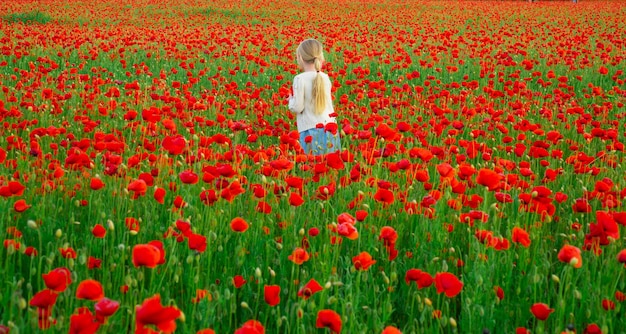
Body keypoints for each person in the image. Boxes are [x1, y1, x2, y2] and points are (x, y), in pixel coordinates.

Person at [288, 39, 341, 156]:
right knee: (329, 167)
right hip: (330, 129)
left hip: (310, 131)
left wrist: (290, 100)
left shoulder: (300, 79)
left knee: (312, 167)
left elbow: (297, 107)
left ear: (300, 58)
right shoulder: (325, 77)